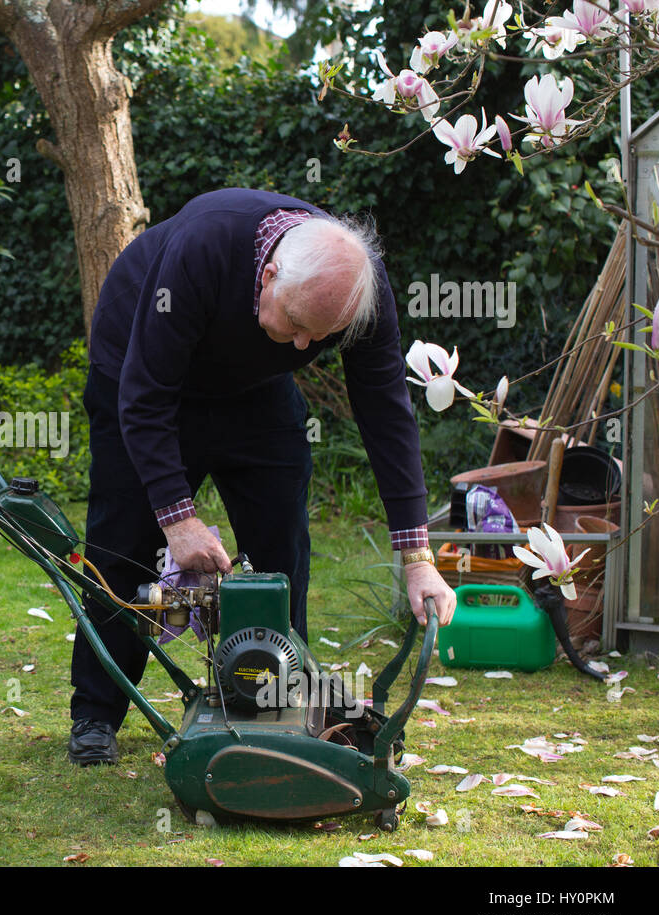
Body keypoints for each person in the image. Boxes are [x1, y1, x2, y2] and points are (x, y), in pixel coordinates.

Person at [69, 187, 458, 766]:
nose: (306, 346)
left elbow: (386, 412)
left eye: (321, 339)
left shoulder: (356, 288)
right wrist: (178, 520)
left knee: (281, 546)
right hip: (139, 372)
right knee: (122, 546)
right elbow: (145, 398)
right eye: (299, 324)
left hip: (252, 390)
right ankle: (96, 714)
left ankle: (275, 692)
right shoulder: (205, 249)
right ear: (269, 274)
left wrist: (418, 554)